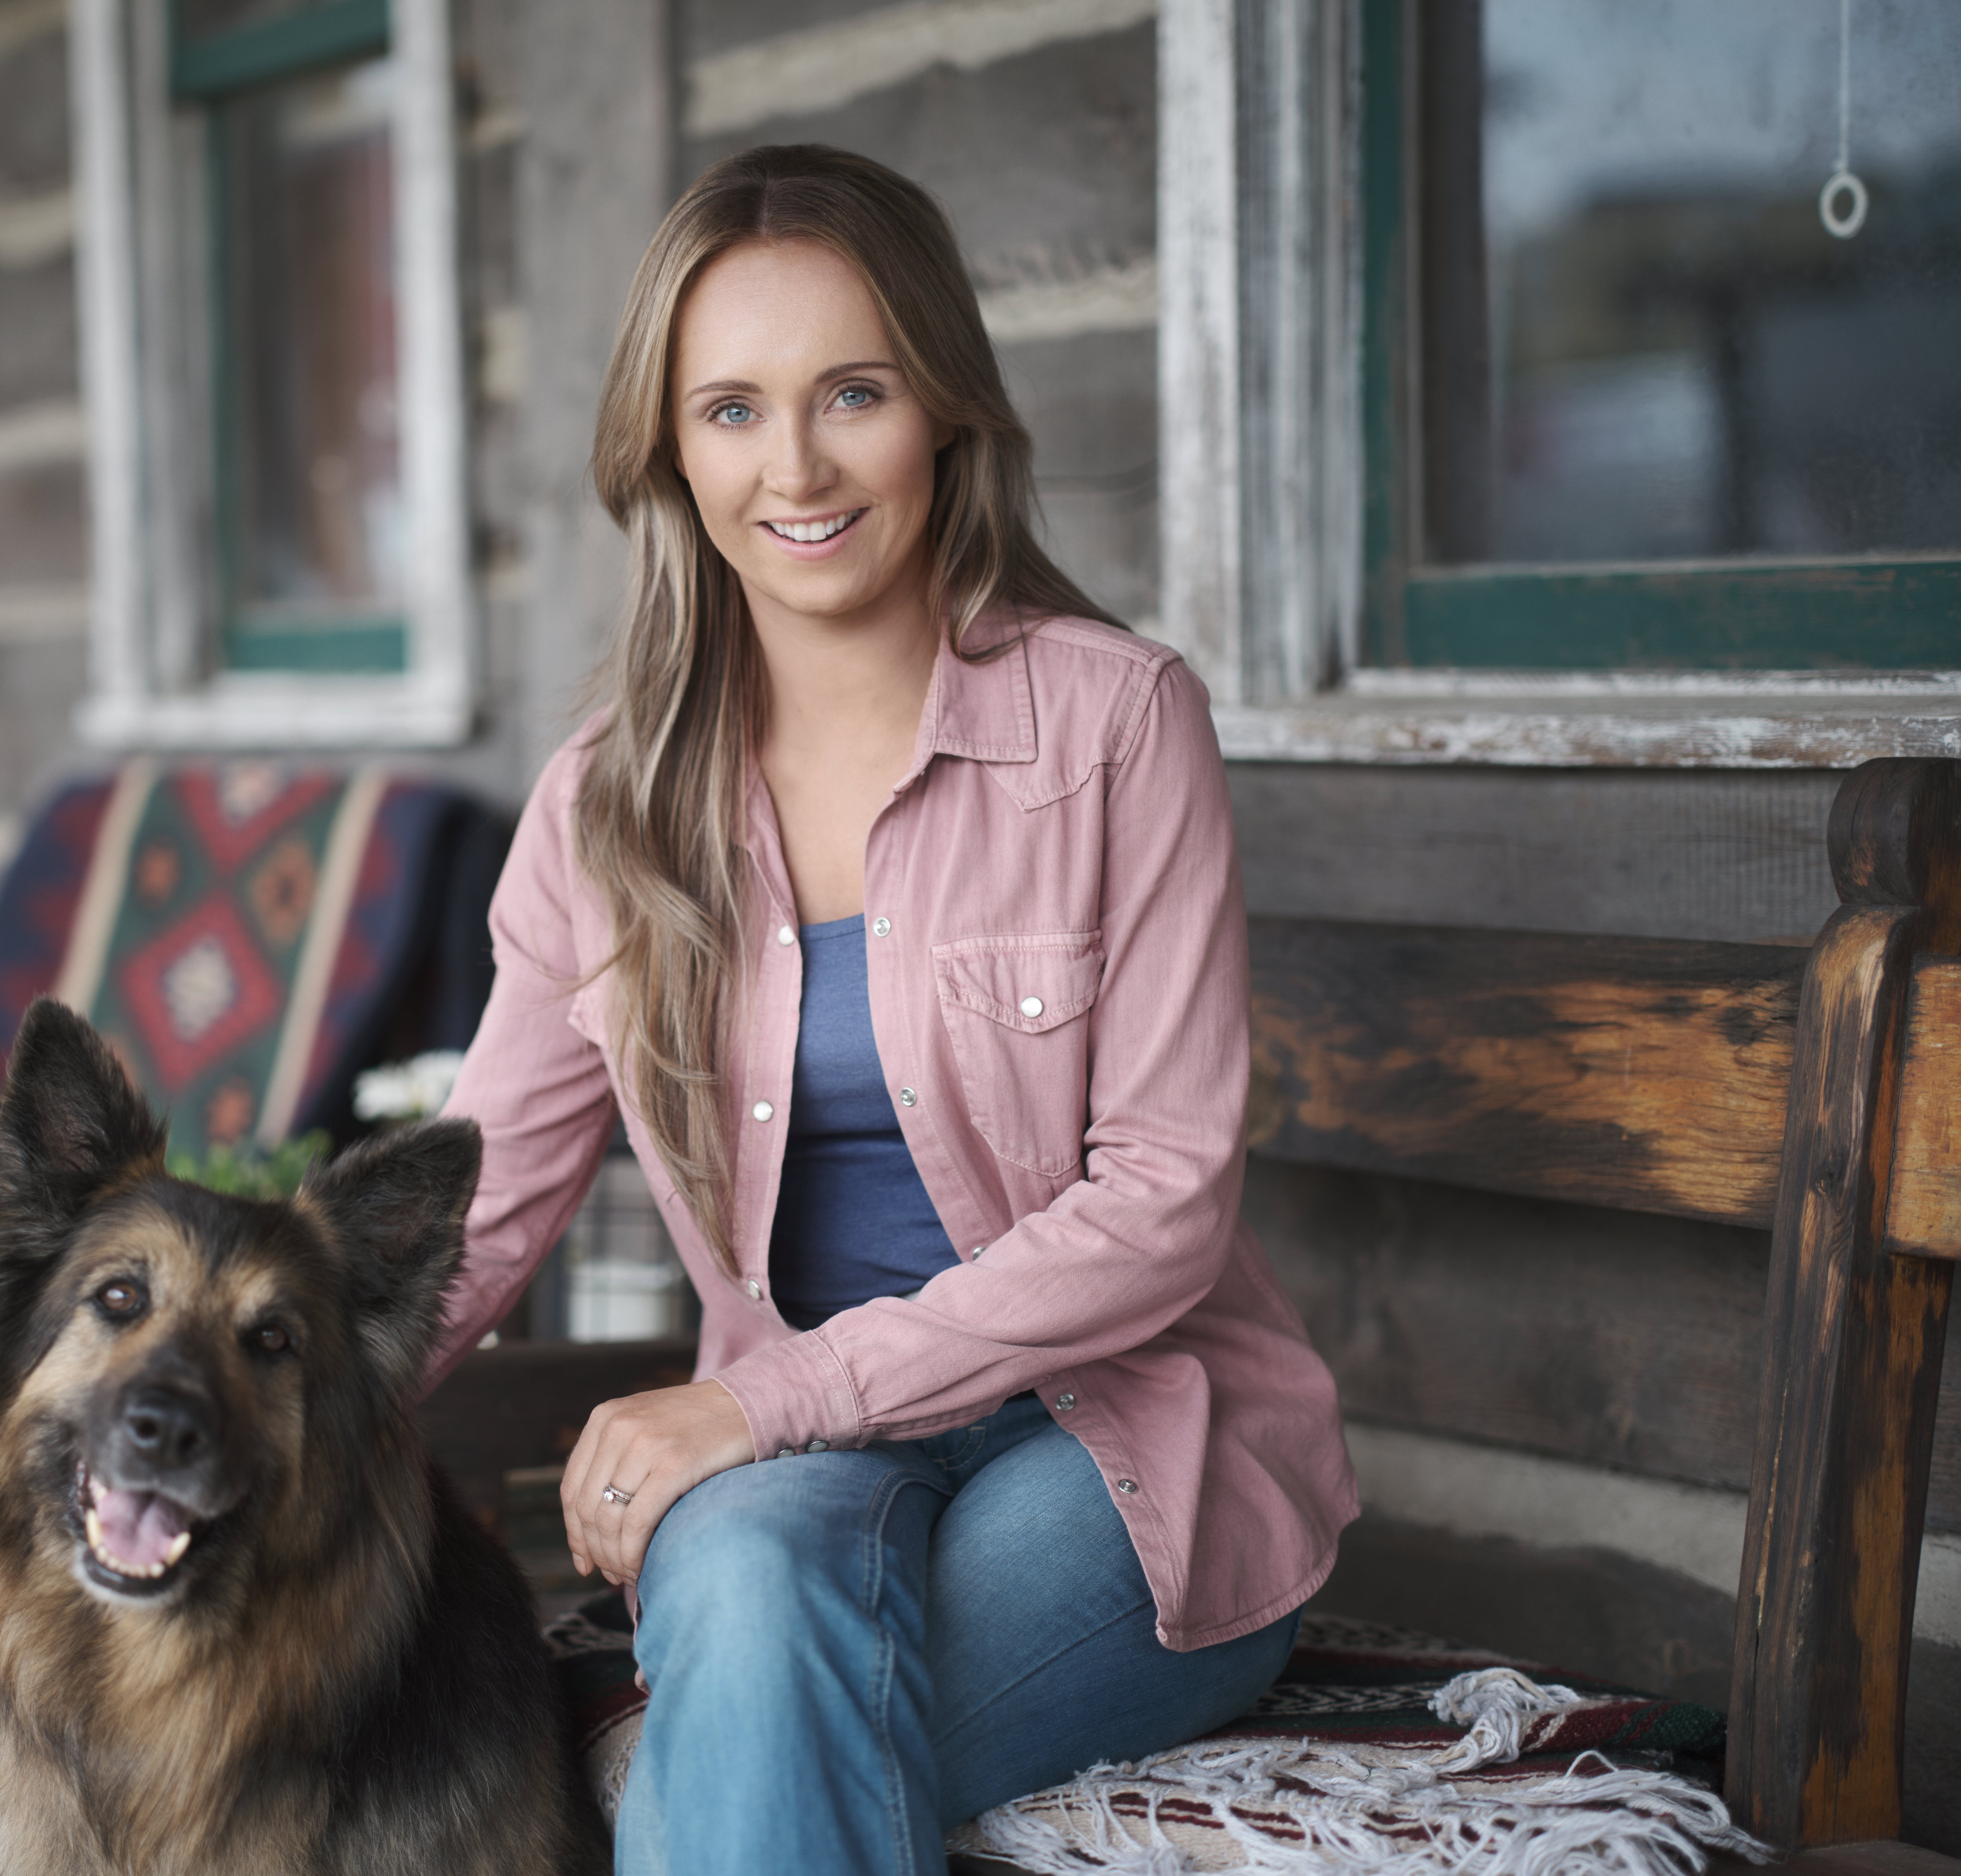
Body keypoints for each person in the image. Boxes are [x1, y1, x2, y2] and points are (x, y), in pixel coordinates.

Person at [420, 144, 1357, 1876]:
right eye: (731, 409)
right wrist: (240, 1397)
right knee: (752, 1584)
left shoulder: (1116, 727)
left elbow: (1161, 1209)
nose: (795, 466)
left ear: (941, 404)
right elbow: (471, 1209)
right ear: (665, 448)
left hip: (1122, 1451)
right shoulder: (602, 813)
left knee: (740, 1684)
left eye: (852, 391)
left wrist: (758, 1408)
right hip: (786, 1484)